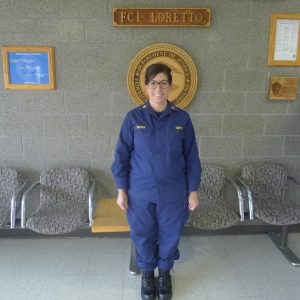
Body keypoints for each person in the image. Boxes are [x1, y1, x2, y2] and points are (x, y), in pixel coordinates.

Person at [111, 63, 201, 300]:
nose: (158, 88)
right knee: (143, 234)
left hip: (174, 193)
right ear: (146, 87)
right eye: (153, 83)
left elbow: (192, 157)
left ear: (170, 86)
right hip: (140, 192)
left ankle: (165, 273)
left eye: (163, 82)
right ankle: (148, 274)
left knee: (171, 235)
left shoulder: (182, 118)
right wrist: (121, 190)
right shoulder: (133, 118)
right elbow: (121, 156)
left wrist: (193, 191)